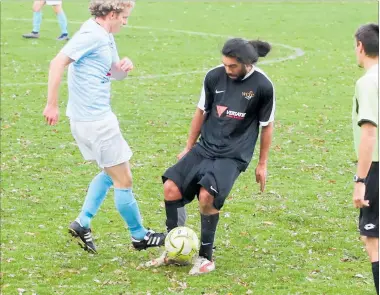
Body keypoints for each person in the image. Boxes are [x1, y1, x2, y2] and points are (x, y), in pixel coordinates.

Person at [142, 38, 275, 274]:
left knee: (207, 196)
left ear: (246, 63)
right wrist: (188, 146)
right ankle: (174, 250)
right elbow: (201, 111)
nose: (227, 70)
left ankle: (205, 257)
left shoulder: (263, 86)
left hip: (233, 155)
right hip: (205, 147)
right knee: (171, 187)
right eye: (225, 65)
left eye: (232, 66)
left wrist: (262, 164)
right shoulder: (214, 77)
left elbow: (267, 125)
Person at [43, 0, 165, 254]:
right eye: (125, 17)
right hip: (96, 122)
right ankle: (139, 236)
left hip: (90, 120)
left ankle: (82, 222)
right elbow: (57, 62)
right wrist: (51, 104)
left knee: (111, 174)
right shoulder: (91, 35)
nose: (125, 22)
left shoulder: (103, 33)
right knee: (124, 178)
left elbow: (113, 74)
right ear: (112, 14)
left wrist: (123, 69)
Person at [352, 23, 379, 294]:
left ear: (360, 46)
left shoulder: (368, 82)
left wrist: (361, 180)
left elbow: (369, 133)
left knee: (373, 238)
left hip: (377, 168)